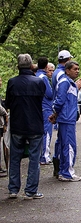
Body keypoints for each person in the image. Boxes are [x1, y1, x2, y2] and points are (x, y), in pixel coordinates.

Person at [5, 54, 46, 199]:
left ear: (18, 66)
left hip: (17, 124)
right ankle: (31, 190)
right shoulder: (38, 82)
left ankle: (13, 189)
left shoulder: (12, 82)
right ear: (31, 66)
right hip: (35, 124)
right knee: (34, 158)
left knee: (15, 158)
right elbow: (42, 99)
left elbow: (8, 104)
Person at [49, 61, 81, 181]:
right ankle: (67, 173)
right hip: (67, 118)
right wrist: (56, 113)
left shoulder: (69, 83)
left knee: (65, 145)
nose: (77, 71)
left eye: (78, 69)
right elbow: (59, 101)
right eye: (75, 69)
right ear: (67, 70)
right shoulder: (65, 82)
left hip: (67, 117)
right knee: (69, 146)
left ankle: (63, 171)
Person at [51, 50, 73, 177]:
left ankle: (59, 166)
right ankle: (62, 168)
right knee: (65, 141)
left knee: (61, 140)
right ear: (68, 60)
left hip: (61, 110)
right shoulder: (62, 75)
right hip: (64, 112)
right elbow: (63, 93)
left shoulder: (56, 73)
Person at [36, 57, 54, 165]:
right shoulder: (43, 78)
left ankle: (40, 154)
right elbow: (50, 94)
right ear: (46, 66)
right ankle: (45, 156)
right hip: (46, 108)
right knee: (46, 132)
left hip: (38, 108)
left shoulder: (35, 76)